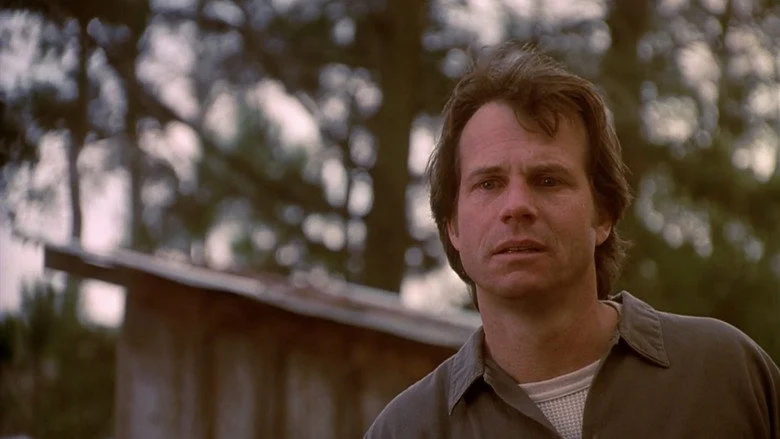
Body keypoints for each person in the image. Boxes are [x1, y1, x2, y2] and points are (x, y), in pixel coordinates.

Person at [364, 42, 780, 439]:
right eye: (488, 183)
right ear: (453, 225)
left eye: (548, 180)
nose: (517, 206)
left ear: (603, 215)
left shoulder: (727, 374)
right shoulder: (406, 431)